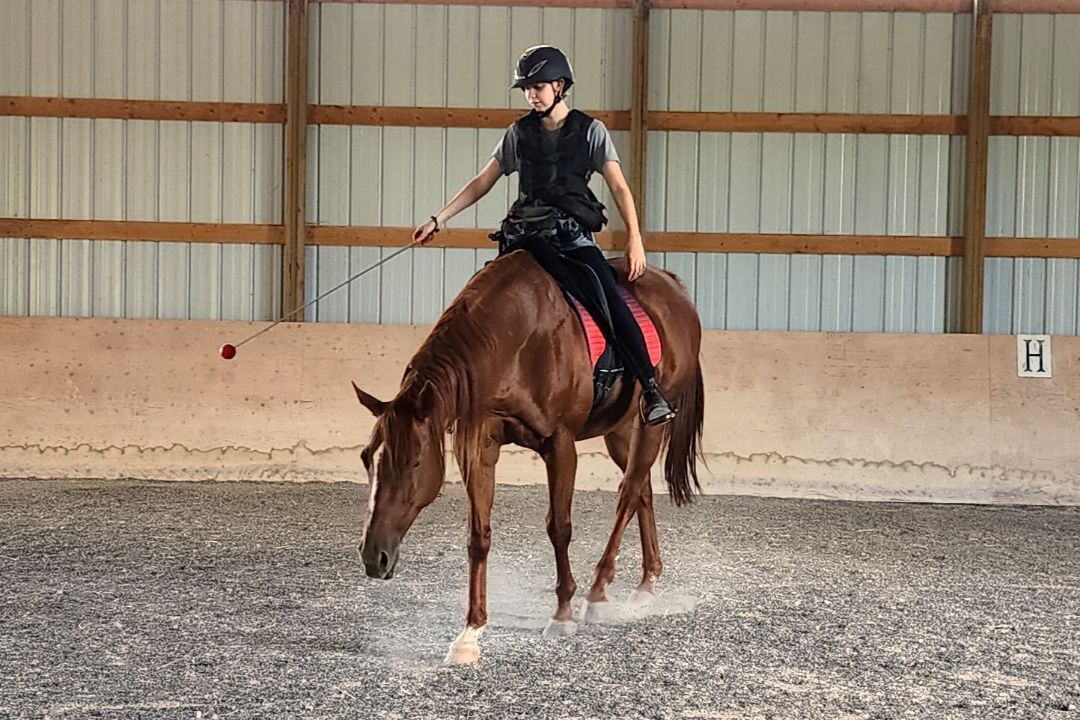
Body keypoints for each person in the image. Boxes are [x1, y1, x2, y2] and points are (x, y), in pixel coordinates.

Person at [412, 45, 676, 427]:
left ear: (559, 85)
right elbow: (482, 182)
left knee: (608, 299)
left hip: (571, 240)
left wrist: (635, 239)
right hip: (524, 239)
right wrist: (440, 218)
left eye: (537, 87)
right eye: (526, 89)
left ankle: (651, 389)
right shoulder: (518, 134)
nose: (531, 95)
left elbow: (619, 187)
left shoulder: (591, 131)